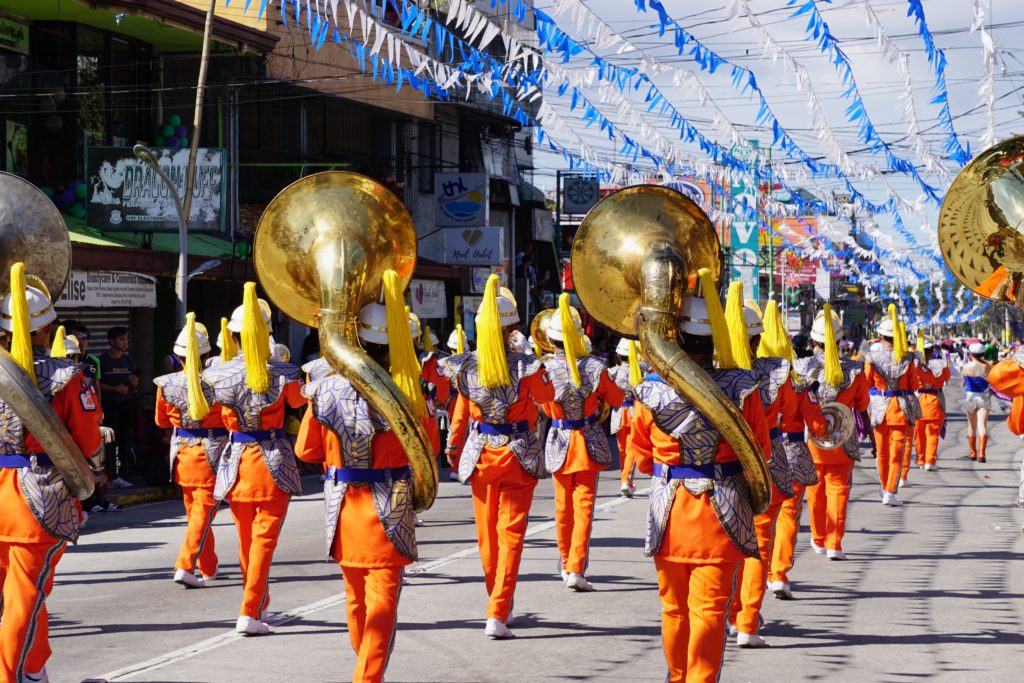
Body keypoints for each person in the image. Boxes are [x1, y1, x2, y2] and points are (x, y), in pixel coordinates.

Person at [627, 269, 770, 682]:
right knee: (709, 611)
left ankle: (677, 677)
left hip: (668, 513)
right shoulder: (744, 386)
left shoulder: (650, 390)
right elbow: (758, 452)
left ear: (676, 333)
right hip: (722, 513)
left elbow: (641, 457)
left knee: (673, 610)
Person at [295, 270, 437, 683]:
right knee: (382, 606)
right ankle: (367, 676)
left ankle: (366, 670)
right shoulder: (410, 392)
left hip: (343, 509)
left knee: (356, 601)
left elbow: (305, 451)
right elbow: (428, 451)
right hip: (389, 509)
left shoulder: (324, 389)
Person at [0, 263, 102, 683]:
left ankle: (33, 669)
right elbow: (89, 443)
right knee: (25, 596)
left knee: (18, 594)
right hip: (38, 498)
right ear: (47, 328)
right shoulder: (69, 376)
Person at [441, 275, 554, 638]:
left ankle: (497, 603)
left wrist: (453, 445)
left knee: (487, 538)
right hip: (518, 454)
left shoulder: (464, 366)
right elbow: (547, 398)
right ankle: (498, 609)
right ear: (510, 330)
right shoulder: (525, 366)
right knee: (511, 536)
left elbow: (461, 408)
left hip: (480, 455)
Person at [724, 287, 825, 644]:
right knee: (759, 546)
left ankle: (731, 614)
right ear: (758, 339)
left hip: (725, 466)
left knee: (730, 546)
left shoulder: (717, 372)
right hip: (768, 460)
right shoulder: (778, 372)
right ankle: (747, 621)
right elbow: (792, 410)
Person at [204, 284, 306, 635]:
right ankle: (250, 610)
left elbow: (214, 414)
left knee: (247, 541)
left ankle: (258, 603)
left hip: (235, 463)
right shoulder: (281, 373)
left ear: (233, 336)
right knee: (263, 542)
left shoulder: (218, 373)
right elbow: (299, 402)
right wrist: (279, 363)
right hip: (271, 462)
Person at [542, 295, 623, 591]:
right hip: (587, 442)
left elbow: (544, 407)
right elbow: (617, 398)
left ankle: (566, 565)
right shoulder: (594, 367)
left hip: (558, 442)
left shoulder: (544, 368)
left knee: (562, 509)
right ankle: (576, 567)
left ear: (550, 340)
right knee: (583, 508)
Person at [154, 315, 228, 589]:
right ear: (207, 354)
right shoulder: (219, 380)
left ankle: (208, 566)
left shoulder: (165, 384)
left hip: (182, 454)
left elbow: (161, 421)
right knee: (201, 513)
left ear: (178, 356)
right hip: (211, 454)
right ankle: (185, 565)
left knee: (196, 513)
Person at [794, 305, 868, 561]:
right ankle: (834, 543)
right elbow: (863, 404)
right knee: (839, 489)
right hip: (843, 438)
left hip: (811, 438)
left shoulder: (801, 366)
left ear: (814, 341)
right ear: (839, 341)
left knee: (814, 491)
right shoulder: (855, 369)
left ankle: (818, 539)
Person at [865, 307, 919, 507]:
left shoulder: (871, 358)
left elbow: (866, 383)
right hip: (900, 409)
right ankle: (889, 490)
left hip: (879, 408)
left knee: (881, 452)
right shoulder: (907, 358)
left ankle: (884, 486)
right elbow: (913, 385)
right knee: (897, 452)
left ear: (880, 337)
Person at [98, 325, 140, 487]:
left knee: (125, 438)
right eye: (121, 339)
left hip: (127, 404)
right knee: (110, 439)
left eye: (126, 339)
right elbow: (97, 385)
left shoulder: (128, 360)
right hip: (110, 405)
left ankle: (124, 472)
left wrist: (134, 383)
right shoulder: (102, 360)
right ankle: (111, 473)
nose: (125, 343)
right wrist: (114, 389)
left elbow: (135, 384)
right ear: (111, 341)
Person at [607, 338, 647, 497]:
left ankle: (626, 481)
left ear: (618, 356)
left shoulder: (612, 372)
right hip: (634, 411)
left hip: (618, 412)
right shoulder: (641, 369)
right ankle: (626, 480)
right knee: (631, 448)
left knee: (622, 449)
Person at [912, 335, 950, 473]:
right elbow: (947, 377)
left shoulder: (915, 365)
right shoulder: (943, 364)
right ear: (933, 349)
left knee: (919, 435)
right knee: (932, 434)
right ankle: (930, 461)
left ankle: (921, 460)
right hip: (935, 401)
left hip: (919, 401)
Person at [962, 342, 992, 463]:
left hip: (970, 397)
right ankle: (982, 453)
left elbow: (964, 381)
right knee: (982, 425)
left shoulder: (965, 367)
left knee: (971, 426)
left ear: (971, 354)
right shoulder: (986, 367)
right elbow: (991, 380)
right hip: (984, 397)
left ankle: (972, 452)